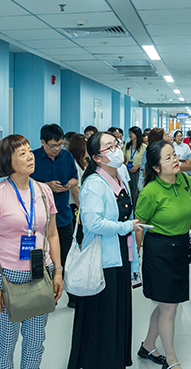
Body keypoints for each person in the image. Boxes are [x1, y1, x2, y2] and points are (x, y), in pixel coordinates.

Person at [0, 134, 63, 369]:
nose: (30, 157)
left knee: (35, 342)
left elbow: (52, 235)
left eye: (29, 151)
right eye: (22, 153)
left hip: (40, 273)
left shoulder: (44, 191)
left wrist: (58, 270)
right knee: (5, 345)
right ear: (8, 161)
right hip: (7, 277)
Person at [67, 132, 145, 369]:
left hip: (121, 255)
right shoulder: (93, 184)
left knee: (117, 311)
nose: (116, 149)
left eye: (116, 144)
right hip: (102, 259)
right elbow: (93, 223)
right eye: (109, 147)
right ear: (97, 158)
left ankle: (115, 361)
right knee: (102, 315)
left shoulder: (120, 177)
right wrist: (125, 227)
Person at [135, 140, 191, 369]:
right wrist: (136, 258)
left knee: (167, 304)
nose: (175, 160)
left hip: (180, 247)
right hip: (159, 251)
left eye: (174, 155)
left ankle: (147, 346)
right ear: (156, 167)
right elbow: (138, 226)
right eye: (168, 158)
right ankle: (172, 360)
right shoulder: (150, 192)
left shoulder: (184, 180)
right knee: (169, 307)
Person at [30, 124, 78, 306]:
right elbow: (25, 184)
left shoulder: (67, 156)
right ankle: (47, 296)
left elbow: (75, 178)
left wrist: (70, 184)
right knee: (43, 259)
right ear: (43, 142)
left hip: (63, 216)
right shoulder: (33, 158)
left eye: (60, 144)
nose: (57, 149)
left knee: (66, 258)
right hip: (40, 219)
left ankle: (72, 295)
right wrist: (47, 186)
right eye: (53, 146)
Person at [124, 126, 145, 205]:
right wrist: (126, 165)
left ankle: (136, 207)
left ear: (136, 134)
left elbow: (145, 161)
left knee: (136, 191)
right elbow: (123, 158)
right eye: (129, 133)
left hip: (138, 172)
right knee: (128, 189)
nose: (129, 135)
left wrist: (138, 166)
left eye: (131, 133)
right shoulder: (126, 146)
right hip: (127, 171)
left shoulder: (144, 147)